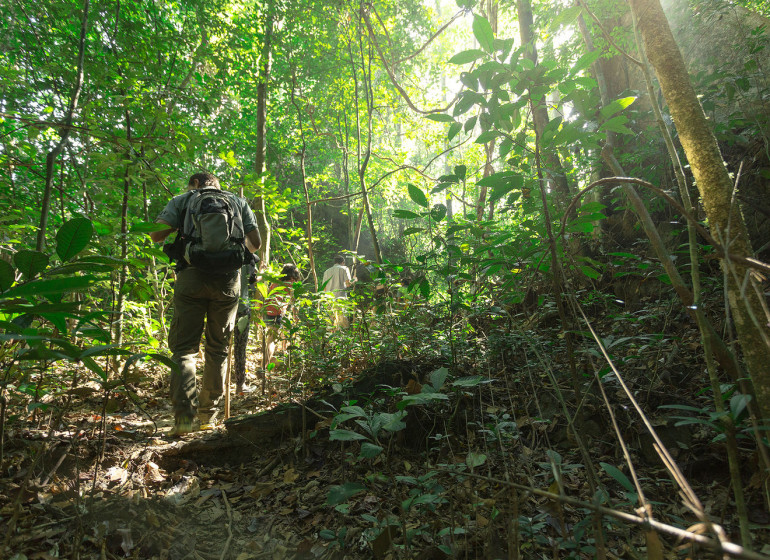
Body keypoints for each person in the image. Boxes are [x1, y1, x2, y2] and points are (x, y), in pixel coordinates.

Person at [150, 172, 261, 435]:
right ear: (217, 185)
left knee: (184, 351)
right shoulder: (237, 202)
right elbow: (255, 245)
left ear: (196, 183)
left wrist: (186, 231)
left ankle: (184, 421)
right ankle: (207, 418)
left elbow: (156, 235)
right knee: (218, 349)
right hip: (227, 283)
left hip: (191, 277)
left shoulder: (183, 200)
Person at [262, 264, 301, 379]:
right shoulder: (290, 284)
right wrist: (296, 315)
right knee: (271, 341)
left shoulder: (275, 282)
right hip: (276, 313)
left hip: (267, 313)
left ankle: (269, 363)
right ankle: (263, 367)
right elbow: (294, 302)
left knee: (271, 338)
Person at [321, 255, 352, 328]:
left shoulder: (326, 271)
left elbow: (324, 288)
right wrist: (354, 280)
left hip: (329, 299)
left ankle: (331, 337)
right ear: (343, 262)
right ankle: (343, 337)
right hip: (340, 298)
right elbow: (348, 284)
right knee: (342, 320)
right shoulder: (344, 268)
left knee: (331, 321)